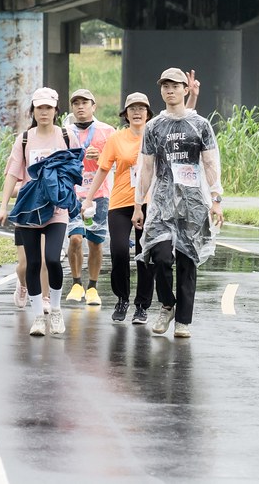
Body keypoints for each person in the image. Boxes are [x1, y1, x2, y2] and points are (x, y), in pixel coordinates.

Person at [132, 68, 224, 339]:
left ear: (186, 90)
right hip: (161, 202)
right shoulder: (153, 127)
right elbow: (146, 167)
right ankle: (167, 304)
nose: (170, 90)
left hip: (193, 201)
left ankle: (183, 320)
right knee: (158, 256)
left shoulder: (201, 125)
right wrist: (139, 203)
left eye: (175, 85)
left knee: (187, 260)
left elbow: (210, 164)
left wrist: (216, 199)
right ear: (161, 90)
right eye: (165, 86)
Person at [0, 87, 81, 337]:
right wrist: (2, 207)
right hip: (29, 209)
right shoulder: (24, 139)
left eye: (48, 108)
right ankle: (37, 318)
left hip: (56, 210)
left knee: (52, 259)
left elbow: (76, 168)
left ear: (56, 110)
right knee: (32, 263)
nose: (44, 112)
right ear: (33, 111)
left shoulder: (66, 136)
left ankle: (54, 309)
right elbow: (12, 173)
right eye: (39, 108)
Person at [81, 92, 154, 325]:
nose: (137, 112)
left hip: (150, 202)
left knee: (145, 255)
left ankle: (142, 306)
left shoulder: (155, 136)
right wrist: (89, 198)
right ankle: (122, 298)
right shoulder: (116, 138)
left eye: (141, 108)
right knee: (120, 250)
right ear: (126, 114)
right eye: (132, 108)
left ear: (148, 113)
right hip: (121, 202)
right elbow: (103, 169)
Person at [63, 89, 115, 307]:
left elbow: (118, 161)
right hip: (73, 194)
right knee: (75, 238)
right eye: (76, 103)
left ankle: (92, 287)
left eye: (85, 103)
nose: (80, 107)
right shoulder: (65, 132)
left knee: (95, 242)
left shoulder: (107, 131)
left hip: (99, 194)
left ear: (94, 106)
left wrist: (101, 156)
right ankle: (76, 283)